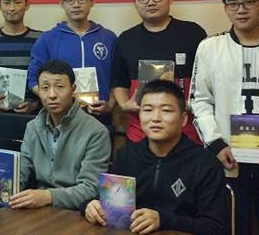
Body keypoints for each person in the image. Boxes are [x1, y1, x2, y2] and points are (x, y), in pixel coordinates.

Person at [190, 0, 259, 235]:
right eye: (233, 4)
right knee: (233, 228)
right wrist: (216, 144)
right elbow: (199, 100)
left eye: (249, 2)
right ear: (225, 8)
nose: (241, 10)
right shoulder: (209, 48)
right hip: (229, 160)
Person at [85, 79, 226, 235]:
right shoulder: (126, 156)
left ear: (184, 119)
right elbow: (107, 202)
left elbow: (215, 227)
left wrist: (164, 220)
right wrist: (90, 206)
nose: (155, 118)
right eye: (148, 110)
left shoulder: (205, 164)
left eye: (166, 110)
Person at [111, 0, 205, 143]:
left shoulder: (193, 33)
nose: (150, 2)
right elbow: (119, 81)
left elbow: (207, 80)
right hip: (140, 134)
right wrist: (125, 104)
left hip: (187, 134)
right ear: (135, 3)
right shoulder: (126, 39)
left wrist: (193, 103)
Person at [9, 60, 110, 210]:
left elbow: (90, 189)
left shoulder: (96, 132)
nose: (52, 95)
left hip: (75, 211)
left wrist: (48, 196)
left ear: (73, 89)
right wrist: (0, 184)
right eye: (45, 88)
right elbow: (21, 170)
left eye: (60, 87)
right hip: (38, 207)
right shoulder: (33, 127)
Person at [28, 0, 117, 123]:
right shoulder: (47, 39)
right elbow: (32, 80)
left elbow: (118, 78)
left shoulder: (108, 38)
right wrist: (53, 98)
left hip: (101, 120)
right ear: (61, 3)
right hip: (60, 121)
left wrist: (111, 104)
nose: (76, 5)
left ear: (92, 1)